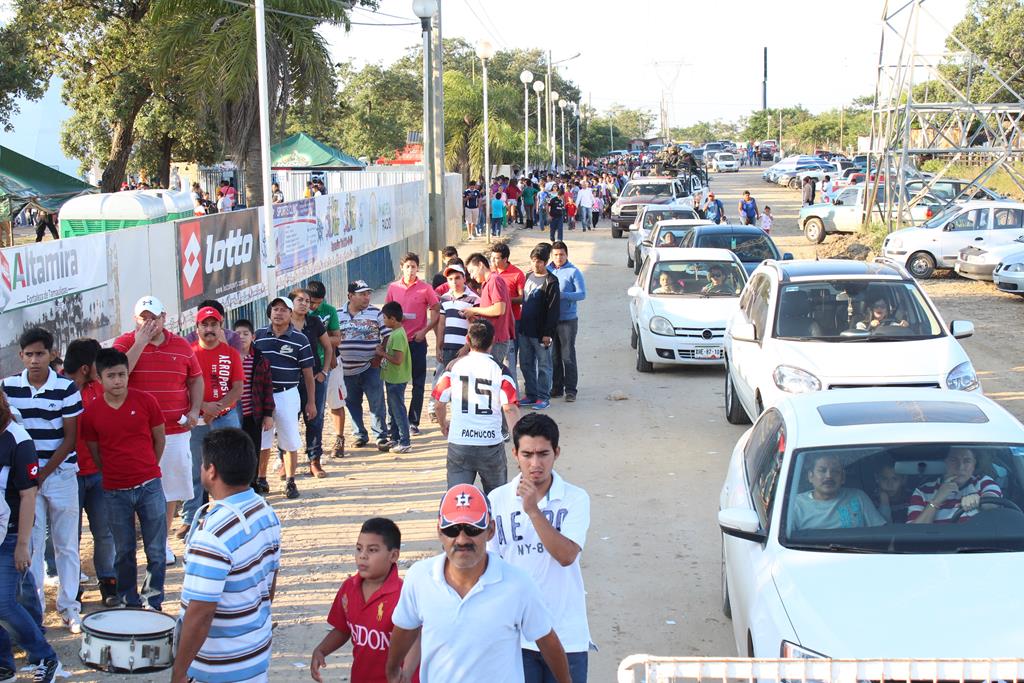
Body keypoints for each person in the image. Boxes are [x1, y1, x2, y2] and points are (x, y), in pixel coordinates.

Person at [386, 484, 571, 683]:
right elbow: (406, 627)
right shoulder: (419, 577)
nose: (462, 539)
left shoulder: (518, 584)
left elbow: (546, 640)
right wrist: (393, 670)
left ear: (490, 530)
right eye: (452, 529)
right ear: (439, 531)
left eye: (472, 529)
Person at [171, 428, 282, 683]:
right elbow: (269, 585)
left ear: (211, 471)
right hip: (255, 655)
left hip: (218, 668)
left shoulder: (211, 535)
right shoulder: (265, 511)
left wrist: (179, 672)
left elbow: (200, 614)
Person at [488, 414, 592, 683]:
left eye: (543, 454)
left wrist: (533, 510)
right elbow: (490, 567)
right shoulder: (497, 499)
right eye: (527, 454)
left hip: (566, 635)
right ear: (514, 454)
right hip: (516, 638)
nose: (535, 464)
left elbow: (567, 555)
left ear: (556, 453)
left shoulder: (575, 498)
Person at [2, 328, 83, 631]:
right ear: (21, 356)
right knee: (31, 547)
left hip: (60, 474)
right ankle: (34, 613)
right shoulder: (7, 387)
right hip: (24, 484)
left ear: (51, 354)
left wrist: (41, 475)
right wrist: (28, 479)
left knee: (66, 545)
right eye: (29, 354)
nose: (34, 360)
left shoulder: (67, 388)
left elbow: (70, 439)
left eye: (40, 354)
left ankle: (69, 607)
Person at [113, 295, 202, 565]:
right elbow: (118, 374)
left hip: (174, 430)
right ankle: (131, 548)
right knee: (134, 490)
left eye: (154, 317)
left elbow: (195, 380)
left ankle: (160, 543)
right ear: (135, 319)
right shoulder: (125, 343)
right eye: (144, 318)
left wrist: (195, 410)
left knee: (169, 490)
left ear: (165, 318)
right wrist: (140, 342)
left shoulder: (181, 345)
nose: (149, 323)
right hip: (135, 433)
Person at [81, 348, 168, 610]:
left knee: (156, 550)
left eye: (122, 374)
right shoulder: (92, 412)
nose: (118, 380)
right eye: (111, 376)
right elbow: (95, 452)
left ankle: (153, 599)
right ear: (100, 379)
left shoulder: (146, 401)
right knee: (124, 550)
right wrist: (113, 473)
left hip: (149, 485)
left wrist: (148, 467)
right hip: (114, 490)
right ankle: (129, 600)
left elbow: (159, 439)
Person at [0, 390, 63, 683]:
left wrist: (23, 545)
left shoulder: (18, 440)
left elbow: (28, 495)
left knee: (4, 603)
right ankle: (4, 666)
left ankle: (46, 658)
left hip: (11, 534)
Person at [310, 518, 418, 683]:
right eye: (359, 549)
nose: (363, 556)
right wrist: (321, 650)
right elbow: (343, 628)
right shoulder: (348, 589)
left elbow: (415, 640)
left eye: (372, 550)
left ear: (394, 555)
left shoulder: (404, 595)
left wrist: (407, 674)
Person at [432, 320, 520, 494]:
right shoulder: (501, 370)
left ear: (467, 339)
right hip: (490, 445)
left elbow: (439, 403)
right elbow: (510, 409)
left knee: (458, 499)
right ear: (493, 340)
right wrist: (518, 442)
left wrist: (443, 424)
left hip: (460, 443)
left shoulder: (454, 367)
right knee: (497, 499)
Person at [180, 306, 244, 537]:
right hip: (197, 416)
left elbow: (237, 388)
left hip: (225, 415)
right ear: (196, 328)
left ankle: (230, 514)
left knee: (228, 466)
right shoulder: (189, 353)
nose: (209, 329)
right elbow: (183, 386)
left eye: (213, 325)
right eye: (204, 325)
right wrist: (203, 407)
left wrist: (217, 408)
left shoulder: (231, 353)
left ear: (220, 327)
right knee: (196, 468)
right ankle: (191, 518)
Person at [64, 338, 118, 607]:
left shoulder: (101, 387)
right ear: (86, 367)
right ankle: (71, 590)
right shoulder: (58, 390)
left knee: (104, 532)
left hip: (99, 474)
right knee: (69, 537)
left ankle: (108, 583)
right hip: (67, 476)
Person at [253, 296, 316, 499]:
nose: (278, 313)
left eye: (283, 310)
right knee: (262, 441)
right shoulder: (259, 336)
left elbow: (308, 375)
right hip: (263, 397)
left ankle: (290, 481)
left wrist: (311, 402)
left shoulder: (300, 339)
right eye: (275, 309)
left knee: (289, 439)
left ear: (291, 314)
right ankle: (261, 480)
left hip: (287, 394)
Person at [385, 253, 439, 437]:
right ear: (402, 267)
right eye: (407, 266)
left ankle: (413, 421)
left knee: (418, 383)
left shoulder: (426, 289)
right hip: (398, 343)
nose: (410, 270)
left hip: (417, 342)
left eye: (414, 266)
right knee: (395, 383)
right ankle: (394, 422)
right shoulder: (393, 288)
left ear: (418, 268)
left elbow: (436, 311)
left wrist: (425, 330)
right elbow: (387, 314)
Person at [340, 280, 391, 451]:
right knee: (352, 403)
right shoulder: (338, 314)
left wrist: (379, 356)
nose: (366, 297)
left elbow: (388, 335)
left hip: (371, 366)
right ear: (350, 296)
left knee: (376, 402)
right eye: (362, 294)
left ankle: (381, 436)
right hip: (346, 369)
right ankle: (359, 435)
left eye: (368, 293)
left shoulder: (376, 314)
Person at [288, 288, 333, 477]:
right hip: (288, 383)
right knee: (289, 421)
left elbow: (328, 347)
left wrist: (324, 371)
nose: (305, 304)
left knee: (314, 419)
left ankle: (314, 460)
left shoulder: (314, 322)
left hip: (313, 379)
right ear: (291, 302)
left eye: (307, 301)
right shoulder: (283, 323)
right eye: (300, 300)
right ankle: (286, 462)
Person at [789, 453, 886, 531]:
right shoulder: (795, 505)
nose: (829, 476)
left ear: (843, 478)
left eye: (835, 471)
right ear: (810, 476)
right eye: (822, 471)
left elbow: (881, 532)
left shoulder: (858, 497)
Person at [233, 320, 276, 495]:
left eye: (245, 333)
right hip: (232, 415)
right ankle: (235, 487)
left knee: (253, 450)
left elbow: (267, 387)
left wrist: (268, 414)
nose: (242, 337)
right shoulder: (228, 357)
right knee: (234, 451)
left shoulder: (260, 358)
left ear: (253, 337)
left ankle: (252, 484)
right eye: (238, 334)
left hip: (253, 414)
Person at [908, 447, 1002, 524]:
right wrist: (936, 500)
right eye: (953, 460)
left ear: (974, 464)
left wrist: (980, 500)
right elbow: (915, 532)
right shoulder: (922, 491)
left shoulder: (983, 482)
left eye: (967, 461)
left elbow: (993, 505)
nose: (960, 467)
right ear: (944, 463)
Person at [518, 244, 561, 411]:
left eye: (540, 261)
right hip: (525, 330)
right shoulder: (528, 276)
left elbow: (553, 310)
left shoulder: (551, 281)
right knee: (526, 363)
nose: (536, 264)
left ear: (546, 262)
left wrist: (547, 333)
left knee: (544, 365)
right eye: (533, 261)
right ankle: (531, 394)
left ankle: (544, 397)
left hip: (541, 333)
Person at [307, 281, 344, 459]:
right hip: (305, 367)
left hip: (328, 364)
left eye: (318, 302)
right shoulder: (298, 311)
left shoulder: (329, 311)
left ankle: (339, 438)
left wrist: (322, 340)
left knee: (334, 404)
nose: (314, 306)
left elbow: (338, 338)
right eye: (311, 301)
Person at [548, 242, 586, 403]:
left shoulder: (573, 272)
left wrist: (563, 295)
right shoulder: (547, 270)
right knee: (554, 356)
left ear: (567, 255)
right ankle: (557, 387)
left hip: (567, 320)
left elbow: (581, 294)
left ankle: (571, 390)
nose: (559, 258)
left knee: (567, 355)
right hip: (550, 320)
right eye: (555, 255)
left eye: (561, 254)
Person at [463, 253, 516, 367]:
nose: (472, 276)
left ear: (481, 265)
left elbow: (499, 309)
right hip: (490, 338)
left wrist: (475, 311)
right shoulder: (486, 284)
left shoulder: (494, 280)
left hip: (497, 339)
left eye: (472, 271)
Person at [378, 302, 412, 454]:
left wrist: (382, 353)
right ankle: (396, 437)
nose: (383, 321)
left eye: (385, 318)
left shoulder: (397, 335)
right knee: (393, 409)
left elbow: (398, 360)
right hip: (392, 377)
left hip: (397, 379)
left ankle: (405, 442)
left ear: (392, 319)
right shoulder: (396, 332)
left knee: (398, 410)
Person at [490, 243, 526, 379]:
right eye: (492, 258)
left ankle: (511, 387)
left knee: (510, 357)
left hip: (512, 321)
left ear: (505, 259)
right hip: (493, 321)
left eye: (497, 258)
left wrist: (503, 300)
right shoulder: (490, 274)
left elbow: (522, 298)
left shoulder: (517, 274)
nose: (493, 261)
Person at [436, 264, 480, 367]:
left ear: (464, 278)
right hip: (447, 348)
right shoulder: (444, 298)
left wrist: (466, 347)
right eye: (450, 279)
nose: (454, 282)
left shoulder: (474, 299)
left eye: (457, 278)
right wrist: (438, 347)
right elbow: (442, 324)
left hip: (464, 349)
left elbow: (474, 327)